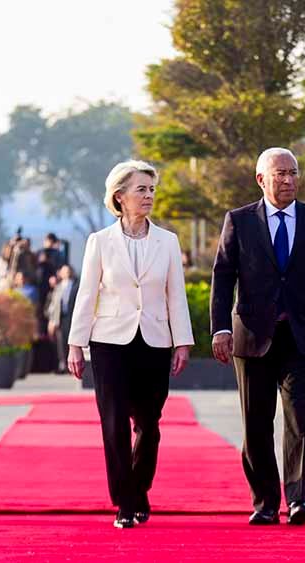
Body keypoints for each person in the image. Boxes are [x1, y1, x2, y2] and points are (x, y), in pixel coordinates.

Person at [210, 147, 305, 526]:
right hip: (251, 338)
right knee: (256, 421)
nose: (288, 180)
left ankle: (299, 499)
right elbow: (223, 277)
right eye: (280, 173)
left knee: (300, 415)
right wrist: (220, 328)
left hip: (301, 337)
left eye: (293, 173)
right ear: (261, 179)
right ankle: (266, 501)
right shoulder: (239, 221)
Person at [67, 160, 194, 529]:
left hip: (154, 341)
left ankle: (139, 487)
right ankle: (126, 500)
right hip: (109, 342)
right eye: (141, 189)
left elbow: (177, 296)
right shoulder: (100, 242)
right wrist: (76, 344)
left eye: (152, 189)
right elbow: (86, 294)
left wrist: (182, 342)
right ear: (119, 196)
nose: (149, 196)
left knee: (150, 424)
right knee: (114, 423)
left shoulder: (167, 241)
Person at [48, 264, 78, 373]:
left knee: (71, 341)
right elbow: (53, 305)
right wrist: (52, 321)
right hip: (60, 318)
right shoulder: (58, 287)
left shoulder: (76, 285)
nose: (66, 273)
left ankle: (72, 366)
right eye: (64, 271)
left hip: (71, 318)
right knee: (61, 342)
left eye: (68, 271)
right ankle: (63, 365)